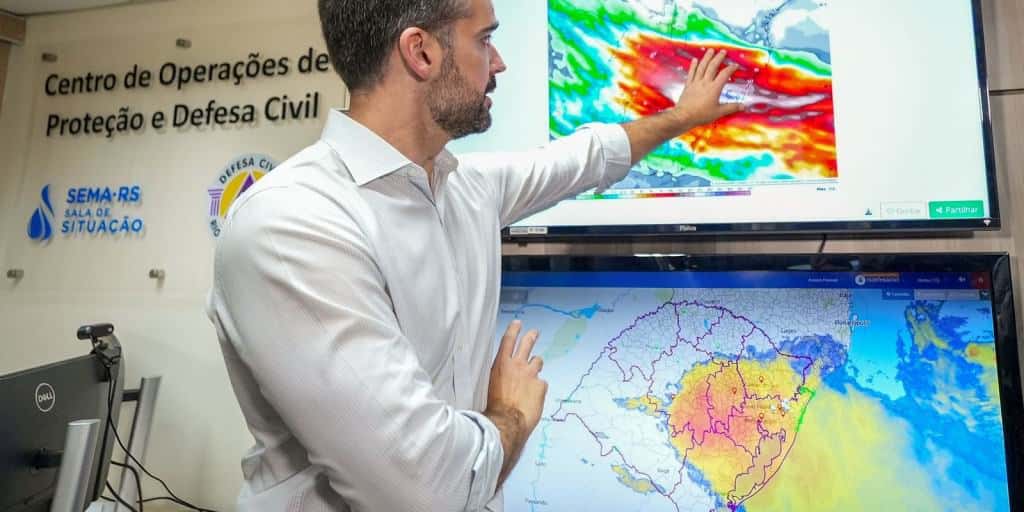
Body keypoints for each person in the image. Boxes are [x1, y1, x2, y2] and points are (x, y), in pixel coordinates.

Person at [206, 0, 743, 510]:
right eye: (484, 40)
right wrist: (510, 413)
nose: (499, 63)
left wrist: (682, 117)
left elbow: (587, 157)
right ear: (421, 52)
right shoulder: (293, 225)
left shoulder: (462, 188)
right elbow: (425, 492)